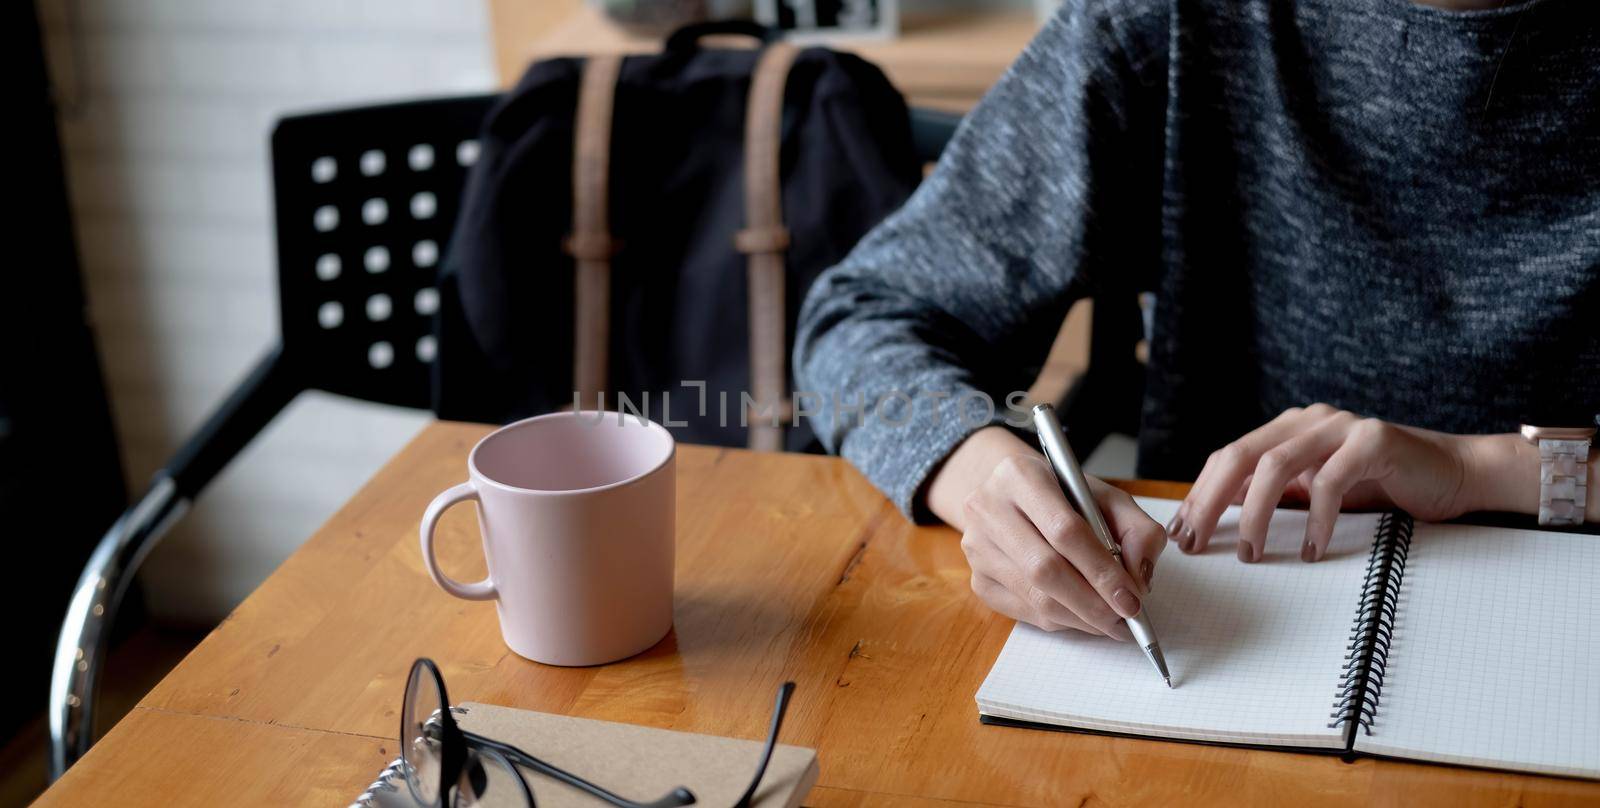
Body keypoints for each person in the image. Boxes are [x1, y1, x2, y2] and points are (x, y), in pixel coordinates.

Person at [793, 0, 1598, 641]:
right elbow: (859, 320)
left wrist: (1481, 472)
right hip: (1226, 631)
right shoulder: (1171, 20)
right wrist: (980, 481)